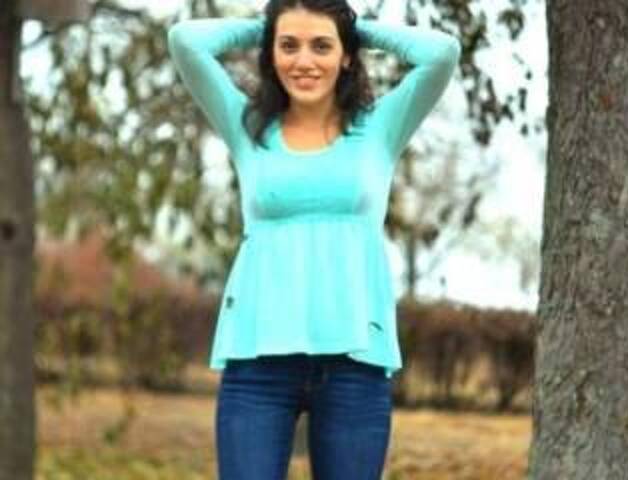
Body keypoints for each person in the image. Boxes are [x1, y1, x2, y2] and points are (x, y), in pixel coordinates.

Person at [167, 1, 460, 478]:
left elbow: (442, 52)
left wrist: (354, 29)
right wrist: (267, 28)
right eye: (289, 46)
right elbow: (185, 41)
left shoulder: (379, 128)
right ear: (271, 54)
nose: (304, 61)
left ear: (347, 57)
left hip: (355, 365)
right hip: (257, 365)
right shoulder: (247, 127)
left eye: (321, 46)